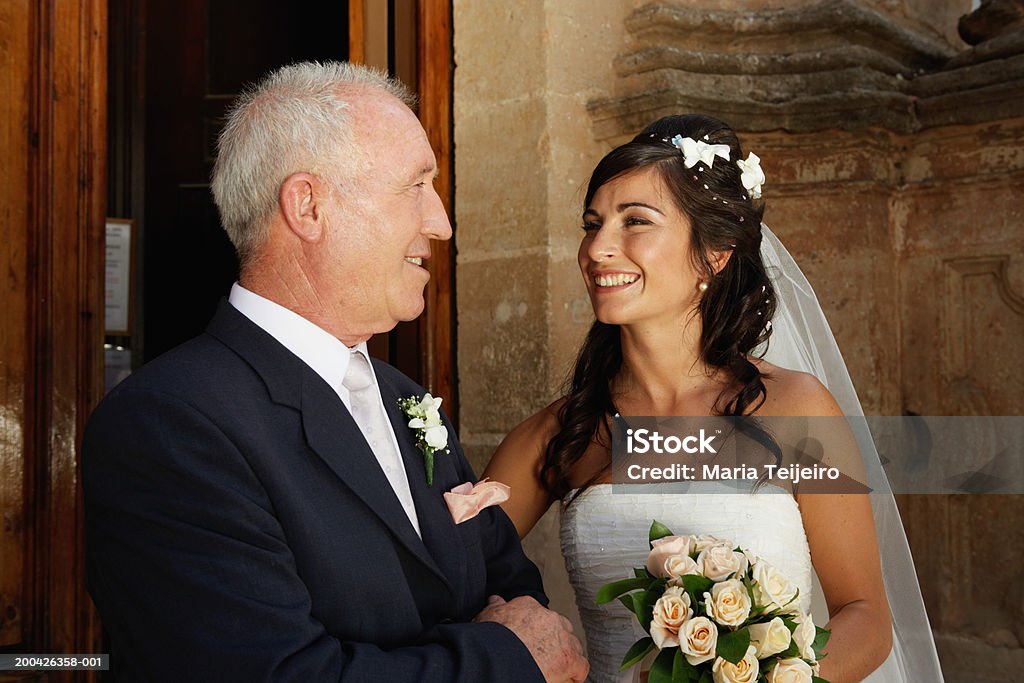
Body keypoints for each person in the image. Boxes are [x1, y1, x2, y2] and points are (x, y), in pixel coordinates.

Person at [83, 61, 588, 682]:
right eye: (414, 186)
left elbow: (510, 591)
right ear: (308, 205)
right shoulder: (170, 425)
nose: (441, 223)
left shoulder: (409, 401)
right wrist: (506, 662)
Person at [484, 114, 943, 682]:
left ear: (716, 252)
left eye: (635, 222)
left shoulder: (794, 409)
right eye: (592, 223)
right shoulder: (565, 433)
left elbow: (866, 618)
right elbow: (444, 580)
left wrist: (771, 678)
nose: (599, 248)